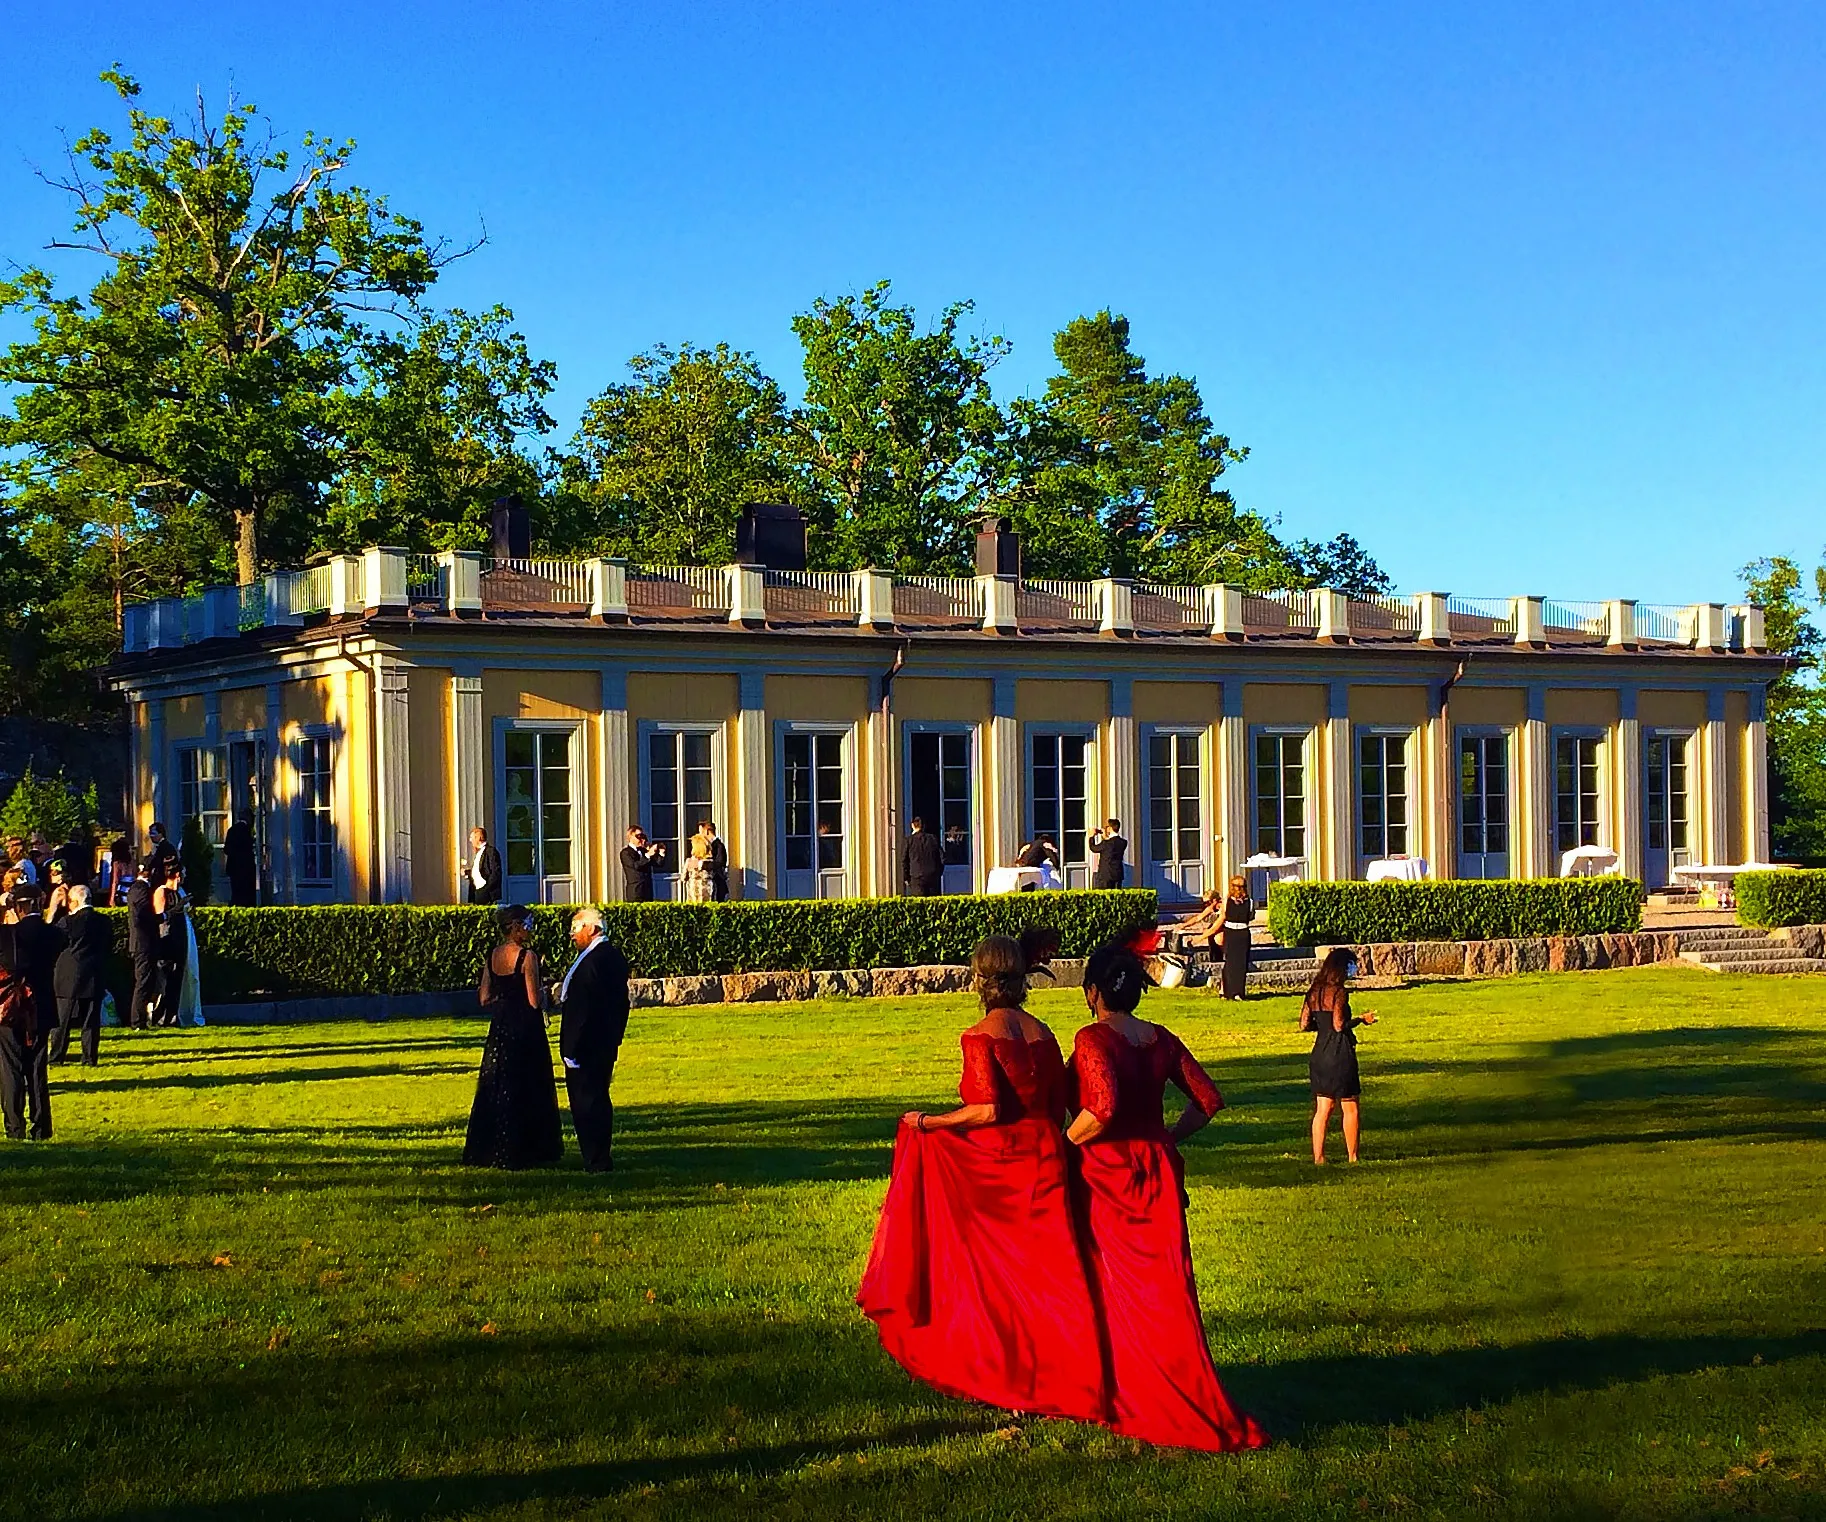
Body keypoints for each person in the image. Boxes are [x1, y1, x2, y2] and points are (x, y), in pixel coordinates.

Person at [858, 935, 1107, 1425]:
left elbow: (988, 1109)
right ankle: (1072, 1376)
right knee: (1051, 1275)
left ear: (978, 979)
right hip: (1049, 1156)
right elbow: (1059, 1102)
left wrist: (928, 1123)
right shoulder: (1043, 1032)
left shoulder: (979, 1035)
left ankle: (1008, 1376)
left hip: (1001, 1167)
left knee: (996, 1278)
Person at [1064, 938, 1268, 1453]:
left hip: (1109, 1173)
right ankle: (1173, 1378)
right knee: (1166, 1285)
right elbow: (1208, 1099)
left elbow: (1102, 1110)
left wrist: (1062, 1146)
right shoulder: (1161, 1039)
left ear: (1092, 992)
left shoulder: (1091, 1039)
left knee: (1114, 1282)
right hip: (1157, 1167)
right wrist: (1169, 1137)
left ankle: (1129, 1386)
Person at [463, 905, 563, 1169]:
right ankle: (529, 1147)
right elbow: (532, 1000)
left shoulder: (493, 955)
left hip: (501, 1024)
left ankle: (491, 1147)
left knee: (497, 1082)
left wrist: (502, 998)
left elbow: (483, 997)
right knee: (527, 1082)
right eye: (527, 925)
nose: (529, 930)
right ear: (516, 927)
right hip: (525, 1026)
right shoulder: (527, 957)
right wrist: (546, 995)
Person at [556, 907, 630, 1173]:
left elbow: (582, 1008)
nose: (572, 936)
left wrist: (571, 1048)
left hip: (587, 1044)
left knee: (587, 1100)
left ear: (592, 929)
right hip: (605, 1040)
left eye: (576, 930)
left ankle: (595, 1157)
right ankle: (597, 1154)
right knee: (597, 1097)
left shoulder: (595, 961)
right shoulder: (610, 957)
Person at [1300, 948, 1377, 1165]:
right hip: (1340, 1052)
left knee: (1323, 1108)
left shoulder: (1313, 991)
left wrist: (1320, 1025)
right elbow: (1339, 1024)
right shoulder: (1339, 993)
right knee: (1349, 1105)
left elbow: (1304, 1024)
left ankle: (1319, 1157)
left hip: (1320, 1053)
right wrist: (1362, 1019)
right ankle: (1352, 1156)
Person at [0, 885, 65, 1140]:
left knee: (10, 1067)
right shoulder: (53, 935)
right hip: (42, 1006)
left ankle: (15, 1127)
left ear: (17, 907)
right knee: (37, 1069)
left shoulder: (6, 934)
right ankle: (41, 1126)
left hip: (10, 1008)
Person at [51, 884, 109, 1067]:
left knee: (62, 1022)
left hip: (68, 975)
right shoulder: (104, 921)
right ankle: (89, 1057)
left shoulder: (68, 922)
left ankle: (56, 1056)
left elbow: (51, 941)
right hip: (94, 973)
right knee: (91, 1022)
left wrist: (53, 911)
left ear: (72, 902)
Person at [151, 859, 190, 1028]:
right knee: (164, 981)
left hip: (180, 937)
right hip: (166, 938)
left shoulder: (180, 891)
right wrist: (177, 908)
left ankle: (172, 1015)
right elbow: (160, 917)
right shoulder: (162, 892)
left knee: (177, 980)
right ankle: (158, 1016)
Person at [125, 860, 161, 1030]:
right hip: (143, 942)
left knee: (146, 980)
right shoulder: (141, 889)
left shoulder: (137, 888)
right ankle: (137, 1020)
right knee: (143, 981)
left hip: (143, 942)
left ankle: (141, 1018)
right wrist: (162, 917)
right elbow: (142, 915)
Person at [1218, 875, 1254, 1001]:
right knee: (1230, 963)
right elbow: (1222, 917)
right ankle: (1227, 992)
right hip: (1230, 932)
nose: (1239, 889)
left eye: (1242, 887)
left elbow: (1250, 916)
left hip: (1243, 933)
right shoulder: (1227, 901)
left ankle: (1239, 992)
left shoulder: (1250, 901)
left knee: (1241, 964)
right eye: (1237, 887)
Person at [903, 816, 945, 897]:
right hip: (932, 877)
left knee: (919, 905)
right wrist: (937, 873)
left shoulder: (909, 841)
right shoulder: (933, 839)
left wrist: (906, 877)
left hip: (916, 878)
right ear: (923, 826)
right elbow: (942, 858)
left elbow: (904, 861)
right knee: (933, 905)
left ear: (912, 825)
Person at [619, 827, 664, 902]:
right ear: (630, 837)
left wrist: (661, 853)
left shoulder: (643, 851)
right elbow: (636, 865)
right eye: (638, 836)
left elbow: (658, 864)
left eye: (642, 836)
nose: (641, 839)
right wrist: (648, 855)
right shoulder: (626, 853)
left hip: (647, 890)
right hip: (635, 890)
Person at [224, 816, 258, 906]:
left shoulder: (232, 830)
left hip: (234, 868)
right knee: (247, 893)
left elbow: (226, 849)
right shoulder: (247, 831)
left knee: (236, 892)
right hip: (246, 868)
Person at [693, 820, 730, 902]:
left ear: (706, 831)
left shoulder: (718, 846)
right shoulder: (705, 846)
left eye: (701, 832)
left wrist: (703, 865)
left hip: (717, 885)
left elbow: (720, 863)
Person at [465, 826, 502, 905]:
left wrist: (487, 888)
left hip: (486, 892)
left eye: (472, 837)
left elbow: (495, 873)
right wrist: (467, 872)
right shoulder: (479, 852)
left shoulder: (491, 851)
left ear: (478, 837)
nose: (470, 840)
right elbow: (481, 870)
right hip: (477, 891)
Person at [1089, 819, 1127, 889]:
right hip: (1118, 874)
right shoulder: (1123, 842)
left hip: (1106, 875)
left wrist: (1092, 836)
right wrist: (1105, 838)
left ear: (1110, 828)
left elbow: (1093, 848)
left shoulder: (1106, 843)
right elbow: (1111, 846)